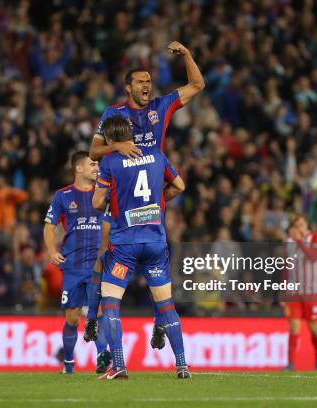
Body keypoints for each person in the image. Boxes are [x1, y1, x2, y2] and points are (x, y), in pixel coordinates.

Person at [86, 40, 205, 350]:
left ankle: (158, 323)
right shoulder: (114, 113)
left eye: (149, 82)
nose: (147, 86)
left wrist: (187, 54)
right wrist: (117, 146)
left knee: (158, 263)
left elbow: (197, 85)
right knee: (108, 250)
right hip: (121, 199)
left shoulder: (160, 107)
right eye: (141, 81)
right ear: (128, 87)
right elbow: (93, 151)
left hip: (151, 201)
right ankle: (95, 318)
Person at [91, 116, 188, 380]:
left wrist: (115, 203)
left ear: (111, 140)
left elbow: (98, 201)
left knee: (110, 304)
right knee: (166, 305)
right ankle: (182, 366)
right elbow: (179, 186)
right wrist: (157, 204)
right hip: (156, 241)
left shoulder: (110, 161)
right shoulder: (157, 155)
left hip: (124, 244)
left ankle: (119, 364)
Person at [43, 151, 110, 374]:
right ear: (78, 168)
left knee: (98, 312)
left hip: (97, 265)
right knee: (72, 318)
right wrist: (52, 251)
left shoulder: (103, 195)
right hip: (72, 265)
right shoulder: (62, 196)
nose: (96, 168)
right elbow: (49, 227)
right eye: (92, 164)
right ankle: (68, 363)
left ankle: (102, 358)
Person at [283, 214, 317, 371]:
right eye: (295, 225)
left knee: (313, 327)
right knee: (294, 326)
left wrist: (299, 241)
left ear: (306, 224)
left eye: (301, 224)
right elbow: (286, 268)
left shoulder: (316, 237)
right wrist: (283, 290)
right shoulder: (288, 243)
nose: (298, 228)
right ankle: (290, 363)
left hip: (312, 292)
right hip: (294, 292)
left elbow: (313, 257)